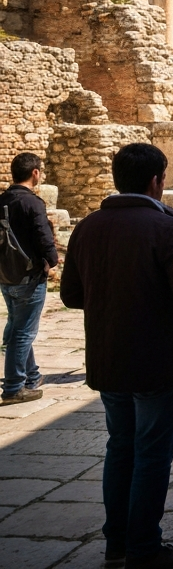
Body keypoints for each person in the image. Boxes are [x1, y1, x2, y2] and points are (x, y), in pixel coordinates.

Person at [61, 143, 173, 569]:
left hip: (109, 358)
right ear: (156, 181)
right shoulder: (164, 226)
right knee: (150, 453)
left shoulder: (87, 227)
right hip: (157, 360)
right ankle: (144, 547)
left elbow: (71, 295)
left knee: (120, 447)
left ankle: (117, 544)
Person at [0, 153, 59, 406]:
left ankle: (31, 376)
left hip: (6, 275)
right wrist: (52, 261)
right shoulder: (32, 203)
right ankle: (14, 387)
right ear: (35, 173)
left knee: (17, 325)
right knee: (23, 332)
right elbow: (44, 238)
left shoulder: (2, 200)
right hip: (29, 276)